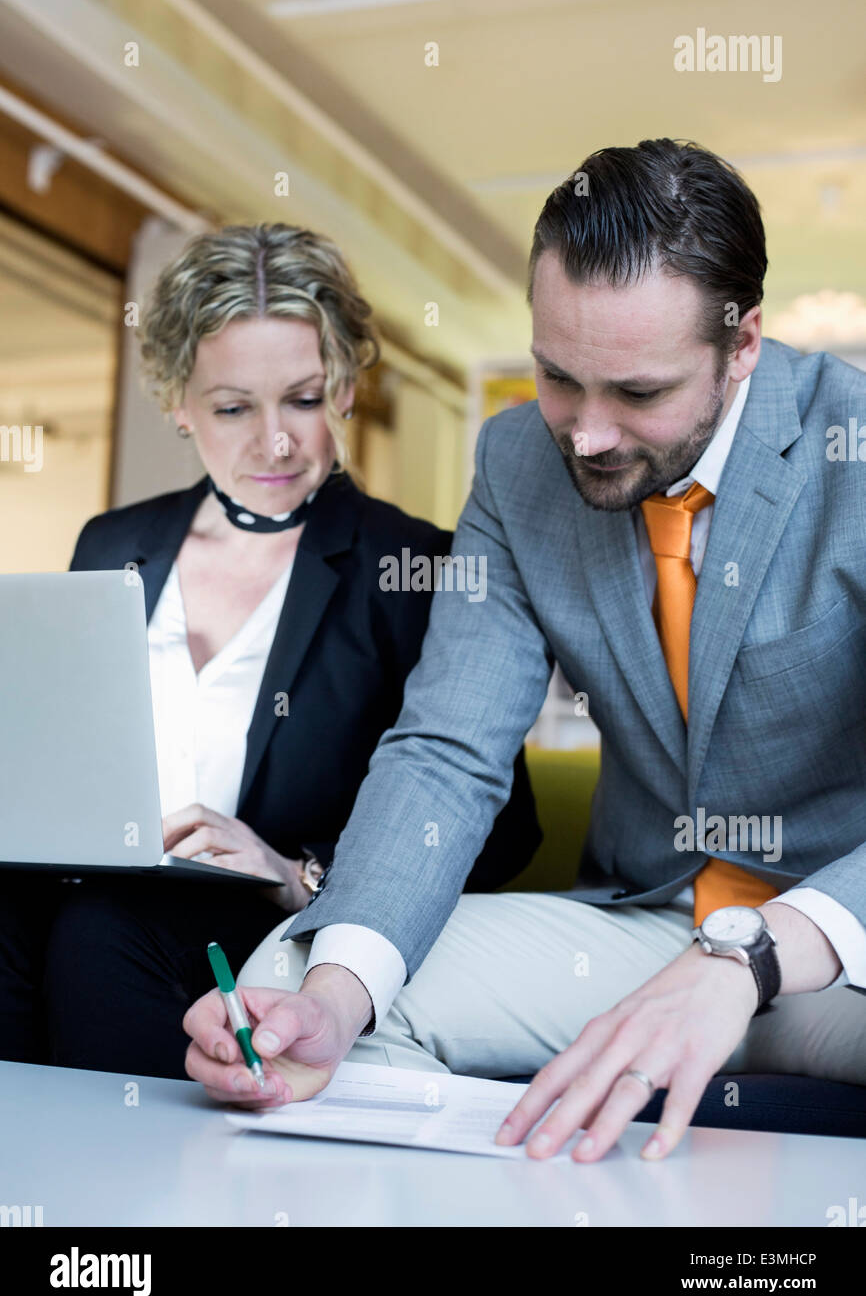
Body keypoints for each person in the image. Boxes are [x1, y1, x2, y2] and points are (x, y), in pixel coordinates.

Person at [183, 139, 866, 1160]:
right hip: (647, 923)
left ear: (741, 344)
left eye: (635, 393)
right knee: (290, 992)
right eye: (556, 377)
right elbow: (446, 750)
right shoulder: (515, 459)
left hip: (839, 943)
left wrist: (748, 959)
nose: (584, 435)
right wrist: (333, 996)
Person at [0, 223, 540, 1079]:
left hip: (267, 922)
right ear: (178, 401)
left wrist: (300, 872)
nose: (277, 442)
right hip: (81, 896)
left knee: (98, 935)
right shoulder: (112, 543)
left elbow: (506, 832)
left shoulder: (411, 565)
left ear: (349, 391)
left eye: (303, 398)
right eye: (232, 408)